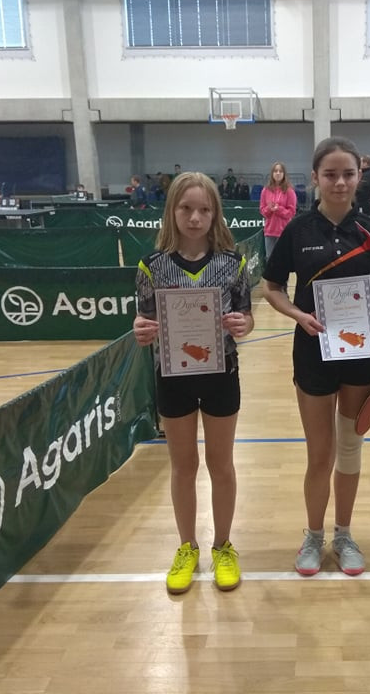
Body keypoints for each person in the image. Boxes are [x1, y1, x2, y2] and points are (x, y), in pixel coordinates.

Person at [262, 137, 370, 577]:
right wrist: (297, 314)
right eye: (330, 174)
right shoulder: (297, 230)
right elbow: (271, 287)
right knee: (319, 455)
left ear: (360, 177)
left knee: (350, 449)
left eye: (348, 174)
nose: (340, 182)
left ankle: (343, 534)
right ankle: (314, 536)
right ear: (315, 178)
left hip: (361, 358)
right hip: (312, 354)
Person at [132, 172, 254, 595]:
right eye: (186, 208)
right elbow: (144, 319)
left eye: (204, 209)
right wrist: (140, 329)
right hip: (172, 377)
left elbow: (246, 316)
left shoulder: (233, 263)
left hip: (222, 374)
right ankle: (187, 547)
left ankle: (223, 546)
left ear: (215, 213)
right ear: (172, 211)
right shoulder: (151, 266)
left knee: (222, 465)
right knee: (183, 467)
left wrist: (244, 324)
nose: (195, 217)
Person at [259, 161, 297, 259]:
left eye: (280, 171)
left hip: (284, 232)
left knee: (284, 260)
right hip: (269, 232)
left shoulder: (289, 191)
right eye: (275, 171)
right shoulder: (265, 190)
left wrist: (278, 209)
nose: (278, 173)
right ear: (272, 173)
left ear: (284, 174)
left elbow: (291, 212)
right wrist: (269, 209)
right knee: (270, 259)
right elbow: (262, 211)